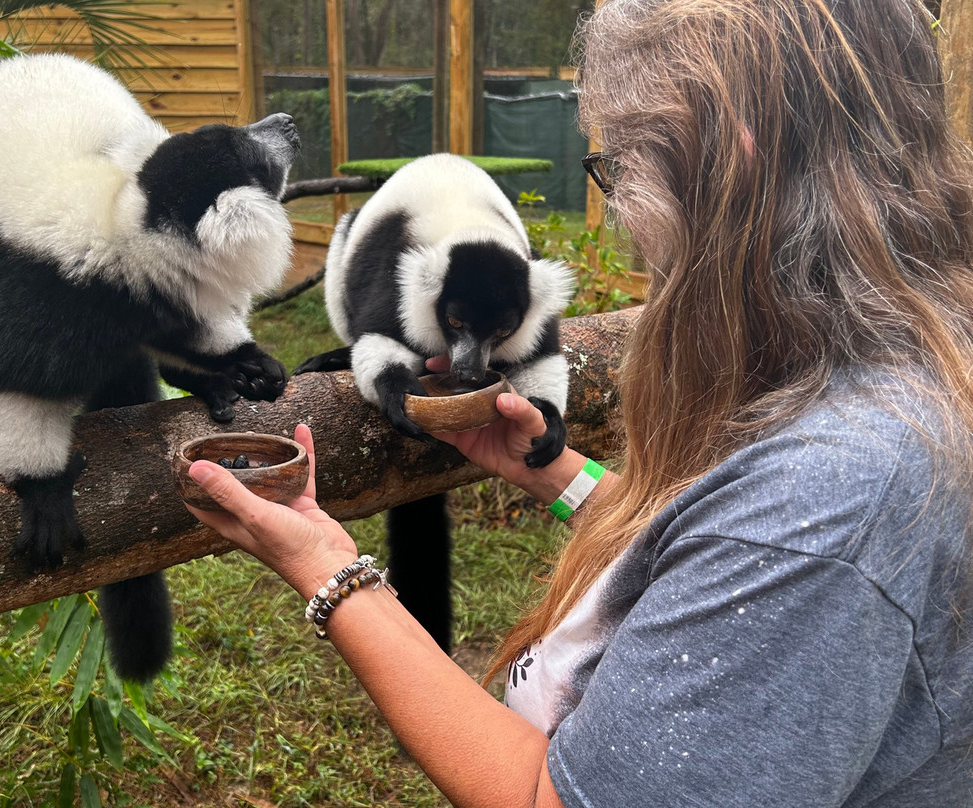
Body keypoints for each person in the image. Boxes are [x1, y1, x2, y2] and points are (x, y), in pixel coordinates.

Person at [185, 0, 973, 804]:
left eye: (619, 167)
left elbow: (545, 797)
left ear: (727, 157)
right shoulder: (880, 359)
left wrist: (325, 566)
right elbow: (715, 547)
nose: (625, 212)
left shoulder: (835, 499)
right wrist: (553, 471)